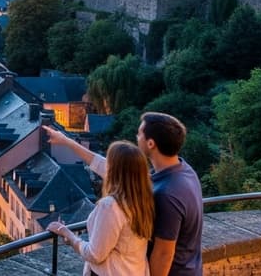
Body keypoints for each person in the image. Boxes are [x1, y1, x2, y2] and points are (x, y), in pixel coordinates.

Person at [47, 112, 204, 276]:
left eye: (140, 133)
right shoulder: (183, 172)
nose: (136, 137)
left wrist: (68, 235)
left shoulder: (167, 194)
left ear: (151, 143)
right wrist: (67, 141)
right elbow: (107, 168)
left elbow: (164, 253)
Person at [48, 141, 153, 276]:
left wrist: (67, 234)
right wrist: (64, 139)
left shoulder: (111, 206)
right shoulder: (144, 199)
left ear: (113, 170)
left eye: (109, 162)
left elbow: (95, 255)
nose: (106, 166)